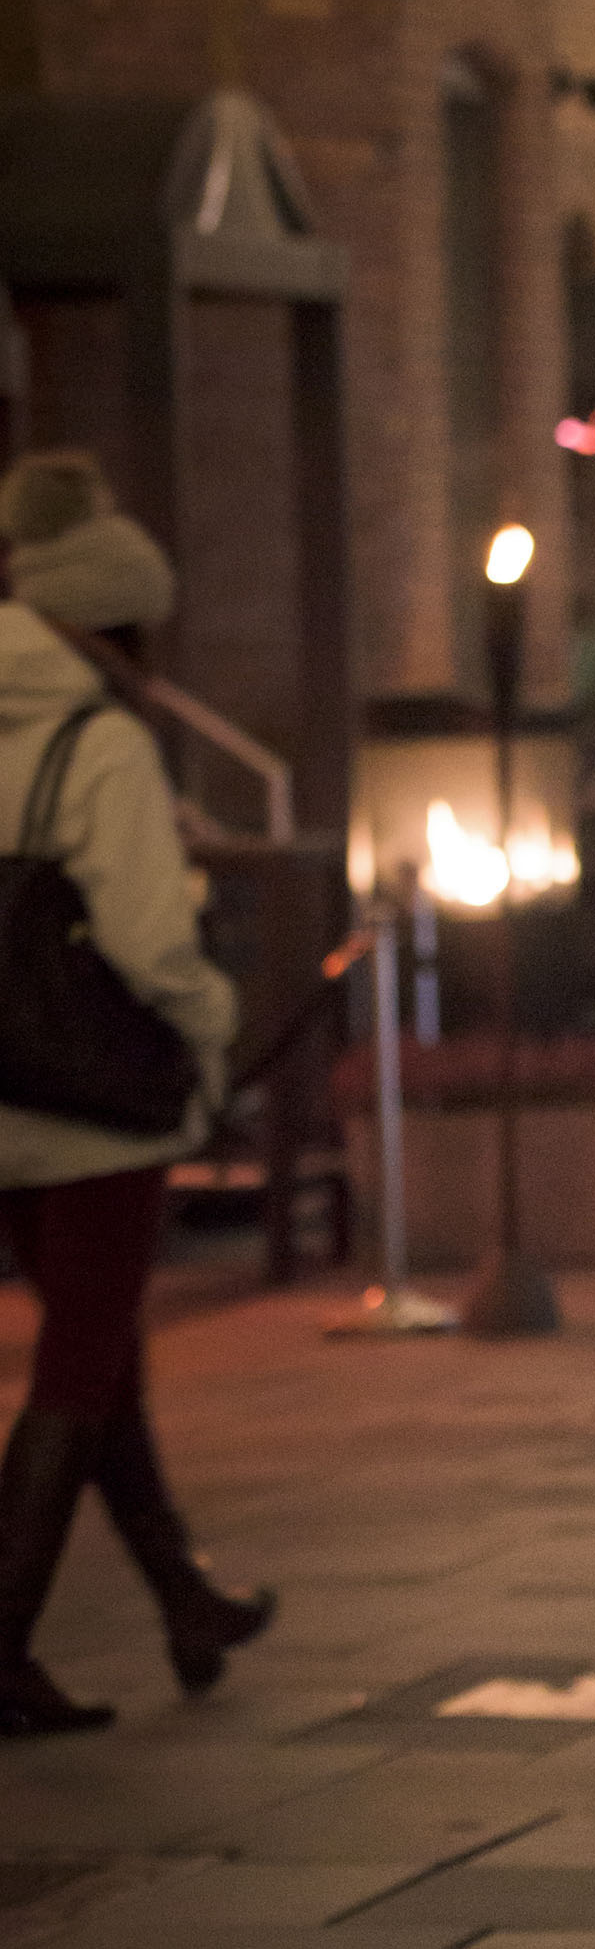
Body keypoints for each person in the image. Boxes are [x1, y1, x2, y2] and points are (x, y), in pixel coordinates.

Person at [0, 458, 262, 1734]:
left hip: (3, 1089)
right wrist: (215, 1019)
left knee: (101, 1353)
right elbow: (151, 941)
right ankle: (1, 1644)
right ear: (113, 625)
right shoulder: (97, 744)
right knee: (79, 1362)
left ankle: (184, 1599)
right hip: (94, 1104)